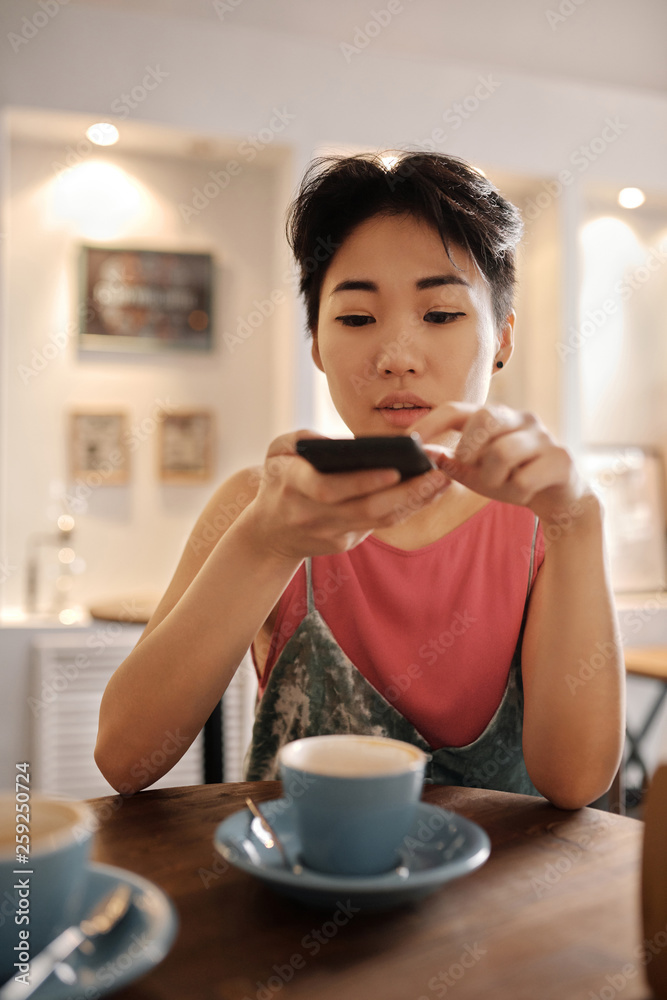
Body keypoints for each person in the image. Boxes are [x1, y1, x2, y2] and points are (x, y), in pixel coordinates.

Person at [95, 151, 624, 808]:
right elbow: (124, 757)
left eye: (440, 314)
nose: (396, 357)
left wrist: (579, 521)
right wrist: (264, 543)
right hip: (293, 898)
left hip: (493, 908)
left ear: (501, 339)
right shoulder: (261, 505)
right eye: (354, 318)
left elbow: (574, 782)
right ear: (315, 340)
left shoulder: (541, 520)